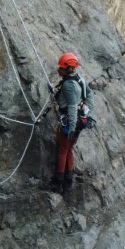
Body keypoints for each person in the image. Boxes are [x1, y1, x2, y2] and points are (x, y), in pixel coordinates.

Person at [51, 52, 91, 193]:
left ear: (67, 69)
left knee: (62, 149)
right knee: (68, 149)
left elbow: (72, 106)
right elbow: (89, 94)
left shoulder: (68, 85)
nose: (58, 69)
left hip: (71, 122)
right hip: (81, 119)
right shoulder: (79, 79)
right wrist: (88, 112)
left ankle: (58, 183)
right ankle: (68, 181)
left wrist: (72, 128)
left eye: (61, 68)